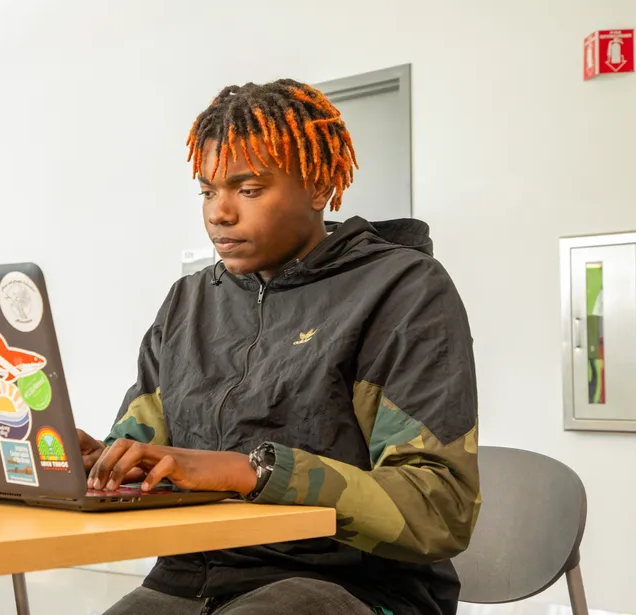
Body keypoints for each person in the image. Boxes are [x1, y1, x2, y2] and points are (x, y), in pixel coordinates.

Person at [79, 78, 480, 615]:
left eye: (248, 190)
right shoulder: (187, 303)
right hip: (188, 579)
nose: (220, 213)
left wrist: (253, 471)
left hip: (352, 585)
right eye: (207, 191)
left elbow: (439, 507)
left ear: (318, 187)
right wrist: (104, 463)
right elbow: (144, 447)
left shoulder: (401, 291)